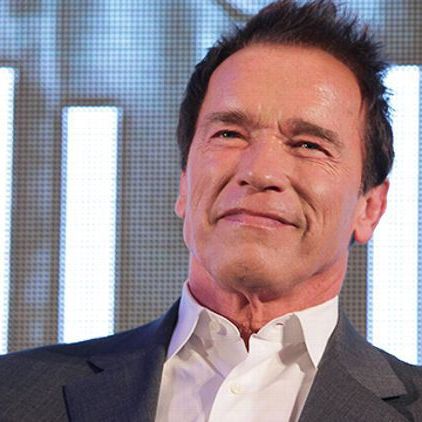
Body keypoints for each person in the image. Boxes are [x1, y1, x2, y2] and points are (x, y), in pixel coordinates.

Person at [1, 0, 421, 421]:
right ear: (184, 183)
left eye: (309, 144)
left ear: (370, 207)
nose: (259, 171)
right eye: (229, 133)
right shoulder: (13, 395)